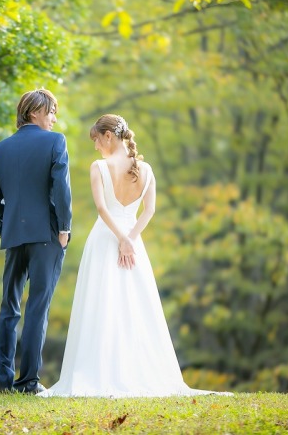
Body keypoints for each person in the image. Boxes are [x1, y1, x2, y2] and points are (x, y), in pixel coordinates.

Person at [39, 114, 231, 398]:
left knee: (101, 302)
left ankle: (100, 369)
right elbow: (149, 211)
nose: (96, 147)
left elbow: (102, 209)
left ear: (108, 136)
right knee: (133, 303)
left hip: (106, 238)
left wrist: (120, 239)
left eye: (96, 140)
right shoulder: (147, 169)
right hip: (132, 240)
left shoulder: (99, 167)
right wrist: (130, 239)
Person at [0, 88, 72, 394]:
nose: (54, 119)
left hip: (13, 236)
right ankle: (29, 382)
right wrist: (64, 227)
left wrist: (6, 228)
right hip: (47, 235)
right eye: (51, 112)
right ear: (35, 111)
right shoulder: (55, 141)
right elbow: (61, 188)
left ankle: (4, 382)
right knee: (37, 307)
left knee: (9, 307)